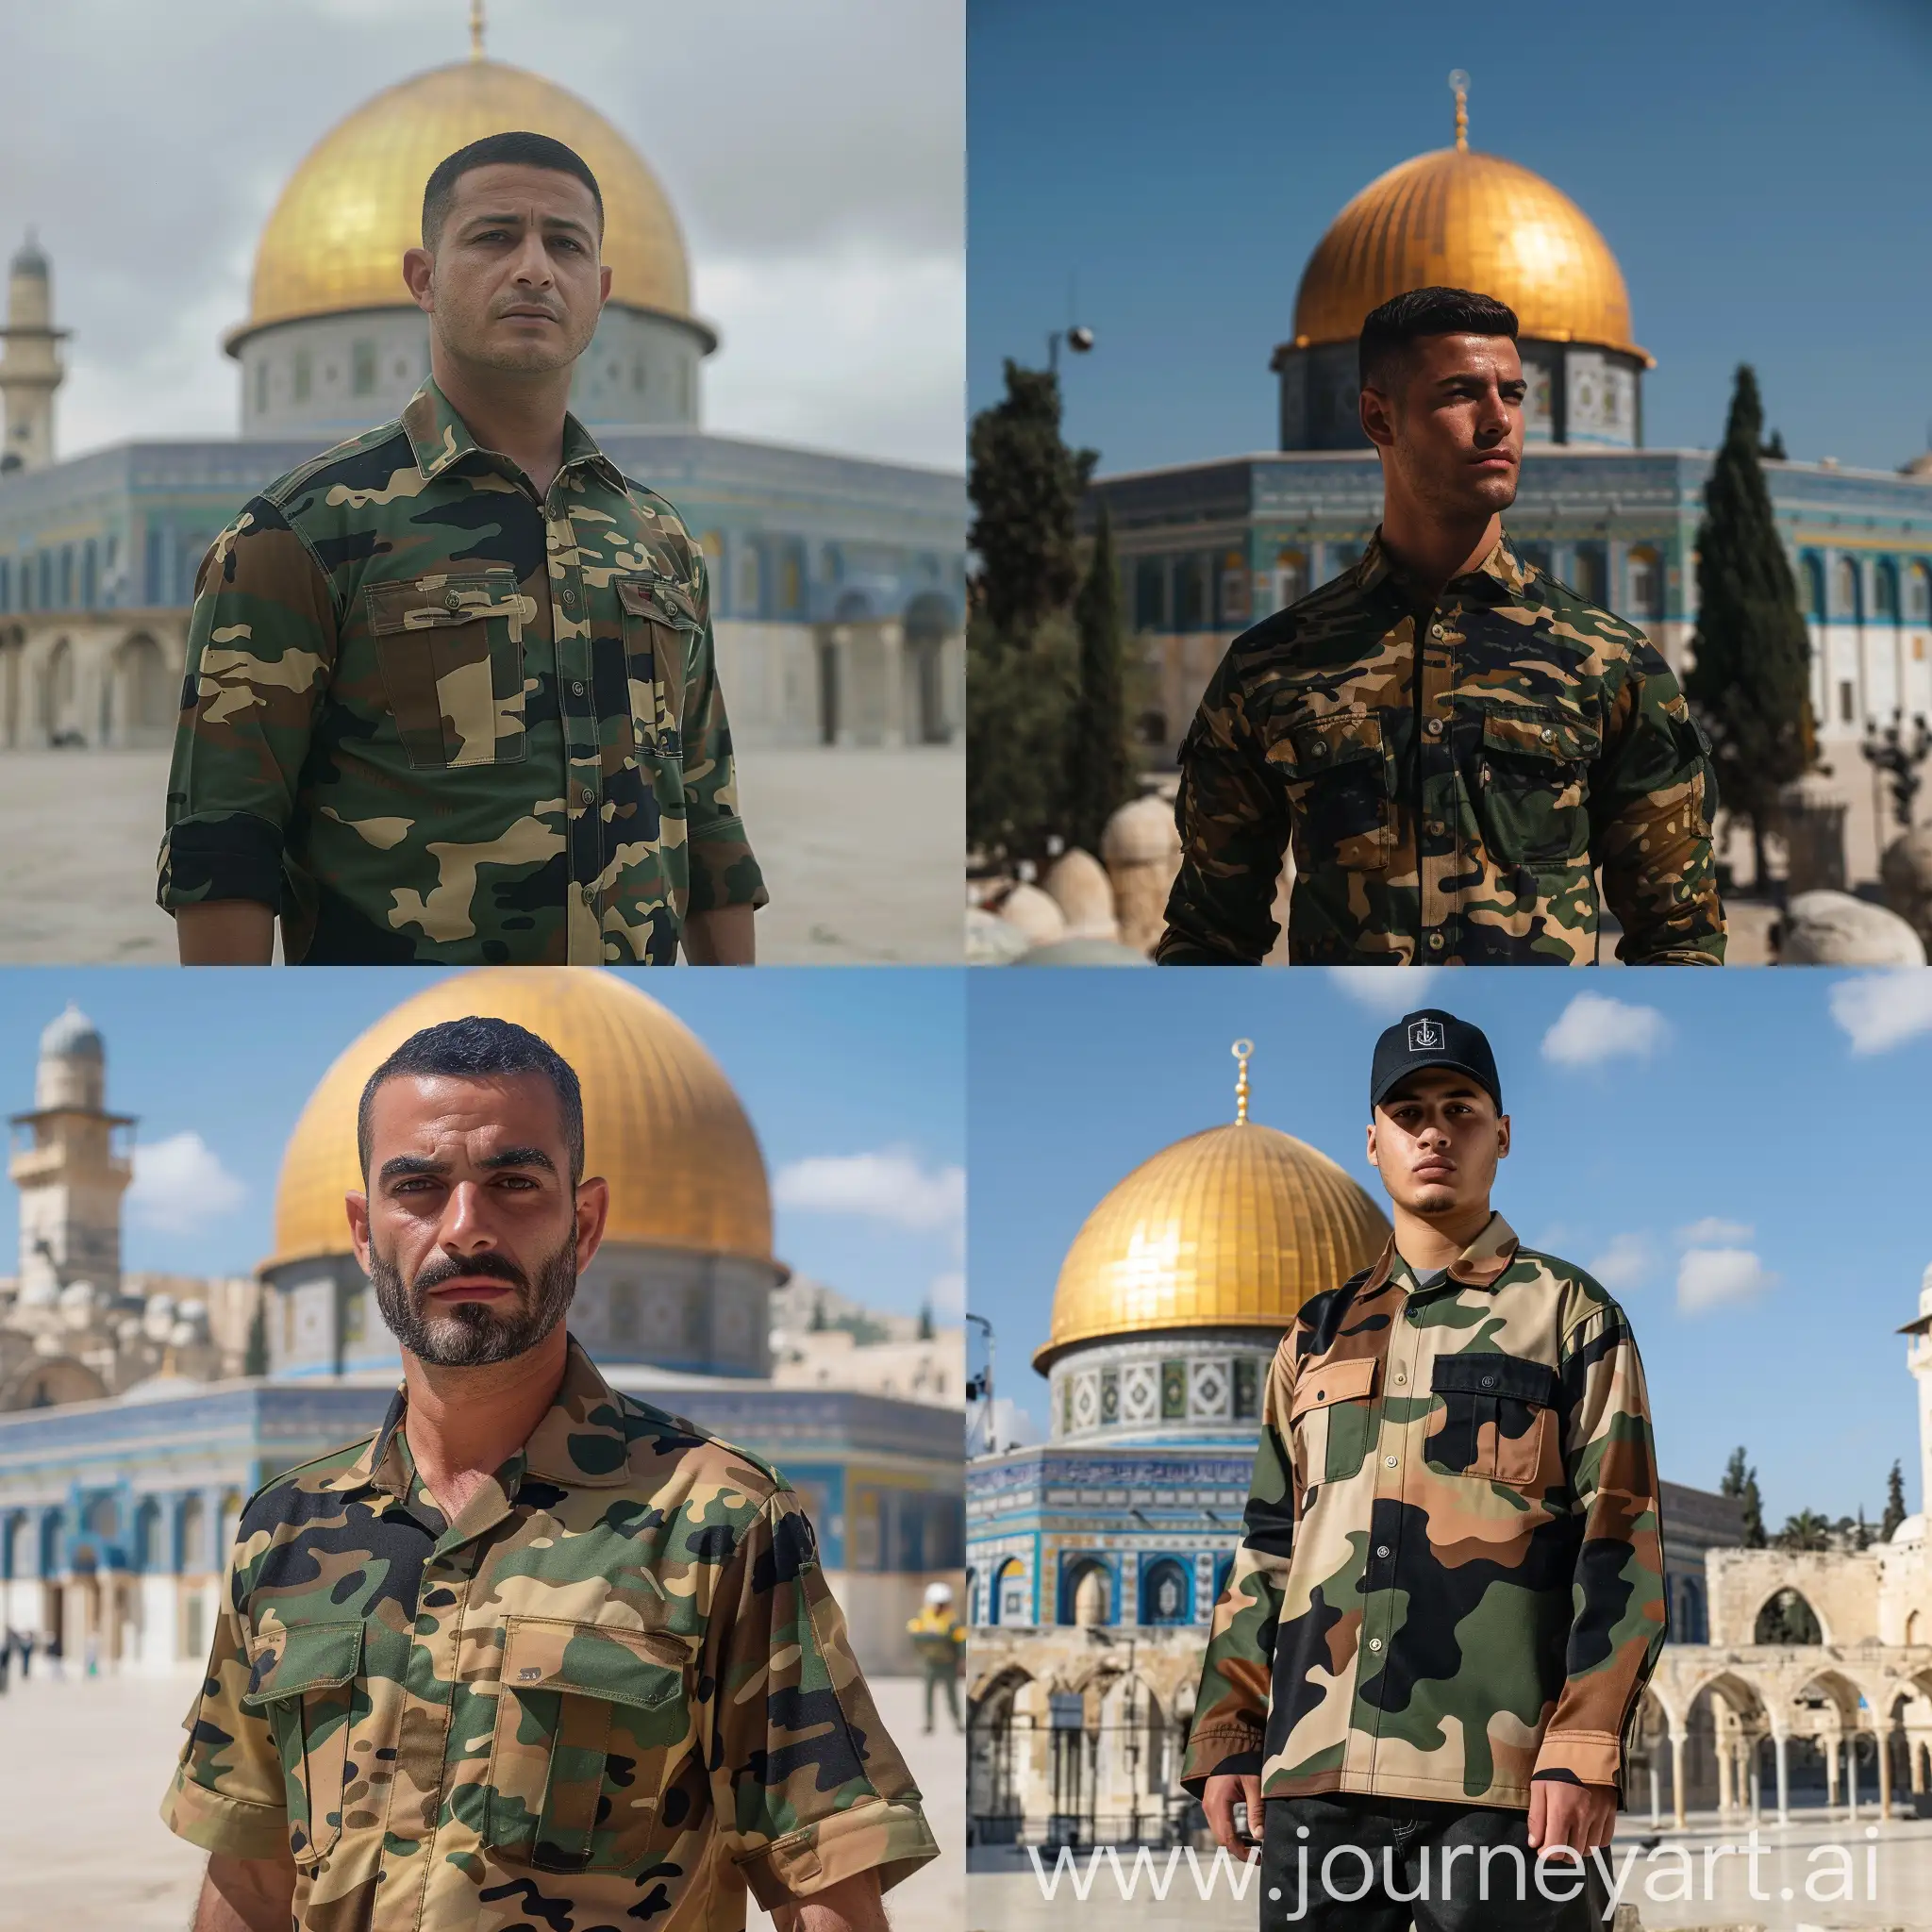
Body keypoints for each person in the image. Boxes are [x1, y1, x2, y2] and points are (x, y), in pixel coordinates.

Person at [161, 1016, 930, 1932]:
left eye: (513, 1183)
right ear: (364, 1232)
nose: (463, 1227)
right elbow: (249, 1878)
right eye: (418, 1186)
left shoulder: (715, 1519)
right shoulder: (284, 1529)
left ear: (586, 1220)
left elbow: (821, 1883)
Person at [158, 130, 764, 967]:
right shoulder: (299, 534)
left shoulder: (658, 542)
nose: (533, 269)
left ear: (601, 288)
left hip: (625, 1021)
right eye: (492, 237)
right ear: (423, 277)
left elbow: (708, 819)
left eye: (565, 245)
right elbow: (224, 844)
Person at [1184, 1008, 1666, 1931]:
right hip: (1315, 1782)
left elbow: (1621, 1543)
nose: (1433, 1130)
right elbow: (1268, 1549)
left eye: (1459, 1107)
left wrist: (1583, 1745)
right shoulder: (1315, 1333)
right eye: (1407, 1113)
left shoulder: (1566, 1314)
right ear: (1372, 1140)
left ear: (1501, 1134)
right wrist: (1229, 1731)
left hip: (1503, 1783)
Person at [1158, 285, 1724, 968]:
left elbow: (1680, 938)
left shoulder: (1609, 664)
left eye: (1513, 394)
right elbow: (1208, 941)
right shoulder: (1273, 669)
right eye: (1460, 394)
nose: (1498, 421)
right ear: (1377, 416)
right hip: (1351, 1064)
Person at [907, 1580, 964, 1734]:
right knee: (929, 1695)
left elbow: (960, 1642)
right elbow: (914, 1635)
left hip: (948, 1663)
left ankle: (957, 1721)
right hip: (930, 1663)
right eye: (938, 1603)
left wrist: (961, 1660)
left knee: (951, 1695)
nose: (940, 1606)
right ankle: (929, 1723)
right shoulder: (923, 1618)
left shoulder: (952, 1621)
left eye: (943, 1603)